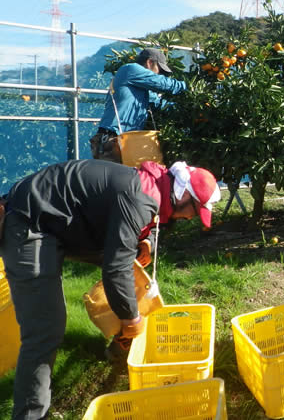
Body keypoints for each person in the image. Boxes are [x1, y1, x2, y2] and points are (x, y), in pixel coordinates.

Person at [0, 159, 220, 420]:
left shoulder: (155, 185)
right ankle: (31, 416)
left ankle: (117, 343)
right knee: (45, 329)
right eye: (193, 212)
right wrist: (132, 320)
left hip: (60, 221)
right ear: (183, 194)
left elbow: (132, 227)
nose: (189, 218)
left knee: (128, 267)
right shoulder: (142, 197)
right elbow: (116, 269)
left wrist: (145, 242)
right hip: (29, 222)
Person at [90, 47, 187, 163]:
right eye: (159, 70)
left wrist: (188, 109)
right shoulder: (130, 69)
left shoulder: (141, 90)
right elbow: (163, 83)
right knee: (115, 179)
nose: (160, 74)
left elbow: (160, 104)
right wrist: (189, 86)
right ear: (149, 62)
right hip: (112, 140)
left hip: (127, 141)